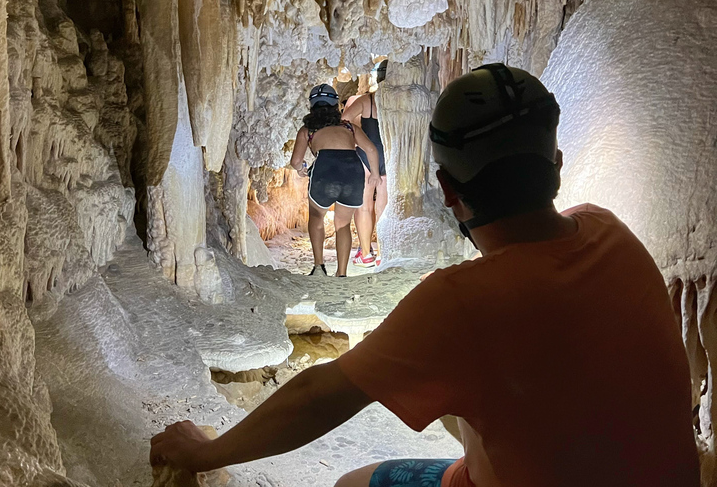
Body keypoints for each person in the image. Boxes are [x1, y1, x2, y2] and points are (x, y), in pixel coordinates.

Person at [149, 65, 700, 487]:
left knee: (352, 483)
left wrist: (204, 453)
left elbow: (319, 396)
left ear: (448, 190)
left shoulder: (462, 303)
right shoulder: (611, 232)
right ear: (556, 165)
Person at [289, 84, 381, 277]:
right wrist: (374, 174)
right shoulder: (349, 127)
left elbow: (296, 161)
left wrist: (302, 170)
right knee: (343, 224)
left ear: (312, 106)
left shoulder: (308, 129)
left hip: (325, 171)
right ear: (335, 105)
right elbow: (371, 149)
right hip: (352, 172)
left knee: (316, 217)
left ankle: (319, 267)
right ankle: (341, 273)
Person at [342, 60, 388, 267]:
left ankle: (366, 253)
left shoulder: (368, 100)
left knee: (364, 205)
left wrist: (358, 132)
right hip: (389, 156)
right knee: (384, 207)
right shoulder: (396, 101)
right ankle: (383, 253)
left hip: (366, 155)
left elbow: (344, 121)